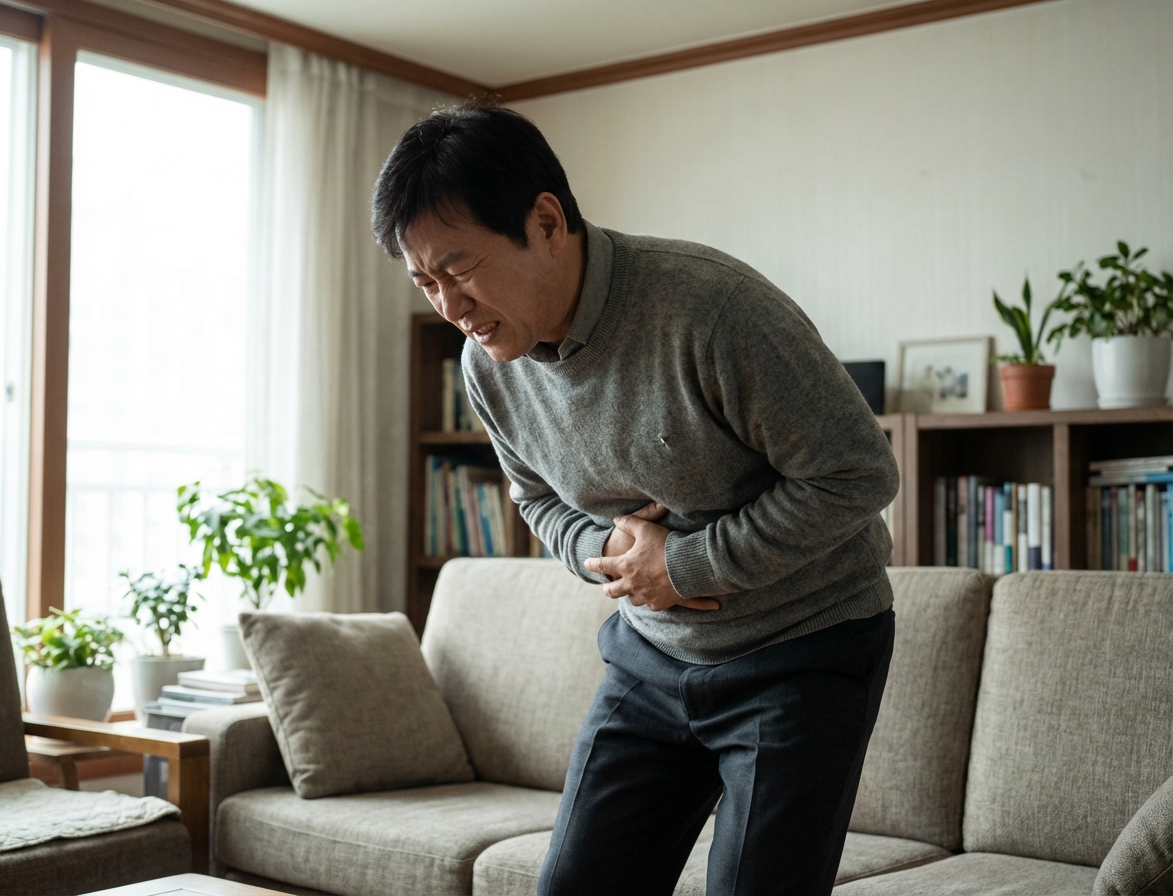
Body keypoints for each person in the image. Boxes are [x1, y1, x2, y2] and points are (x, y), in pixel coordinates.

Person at [372, 101, 899, 896]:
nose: (449, 306)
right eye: (425, 282)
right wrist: (608, 554)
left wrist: (685, 566)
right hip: (650, 656)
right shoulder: (487, 367)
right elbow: (534, 498)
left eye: (460, 268)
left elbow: (858, 473)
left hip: (802, 650)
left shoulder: (711, 308)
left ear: (546, 222)